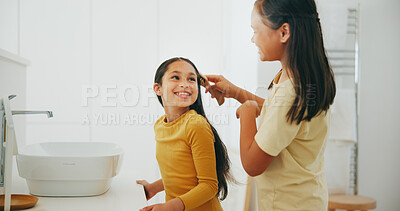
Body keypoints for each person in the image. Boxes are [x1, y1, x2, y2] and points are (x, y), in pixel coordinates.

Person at [205, 0, 336, 210]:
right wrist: (237, 92)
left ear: (284, 32)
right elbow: (282, 118)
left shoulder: (291, 93)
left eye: (256, 31)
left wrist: (247, 112)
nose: (252, 39)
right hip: (308, 199)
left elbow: (252, 164)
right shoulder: (303, 78)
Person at [137, 57, 232, 211]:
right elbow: (181, 175)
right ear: (158, 88)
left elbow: (209, 186)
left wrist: (170, 207)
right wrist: (152, 188)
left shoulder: (196, 125)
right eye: (175, 77)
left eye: (191, 79)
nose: (185, 84)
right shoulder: (160, 125)